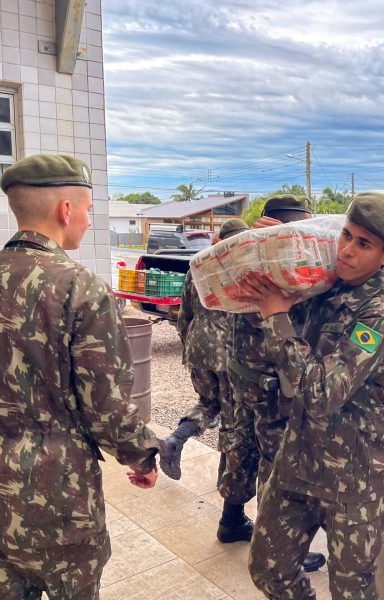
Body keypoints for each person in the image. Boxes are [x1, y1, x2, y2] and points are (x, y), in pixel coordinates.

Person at [0, 154, 161, 599]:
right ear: (66, 210)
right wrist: (141, 457)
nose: (89, 220)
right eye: (88, 210)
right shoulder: (80, 288)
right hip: (60, 502)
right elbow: (107, 405)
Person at [240, 193, 384, 599]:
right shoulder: (321, 286)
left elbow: (321, 393)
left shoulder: (381, 314)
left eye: (363, 244)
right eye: (346, 235)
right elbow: (260, 353)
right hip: (298, 462)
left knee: (351, 590)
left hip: (354, 478)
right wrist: (264, 255)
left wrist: (277, 316)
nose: (347, 250)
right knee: (268, 570)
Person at [222, 194, 326, 570]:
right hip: (273, 382)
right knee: (277, 463)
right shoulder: (287, 265)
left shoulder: (242, 253)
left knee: (240, 447)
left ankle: (231, 520)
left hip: (243, 374)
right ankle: (276, 550)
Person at [159, 218, 261, 544]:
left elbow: (183, 315)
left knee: (208, 403)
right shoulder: (245, 266)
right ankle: (232, 513)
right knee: (235, 427)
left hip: (199, 347)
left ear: (219, 238)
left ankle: (176, 438)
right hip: (229, 353)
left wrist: (190, 346)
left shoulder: (199, 265)